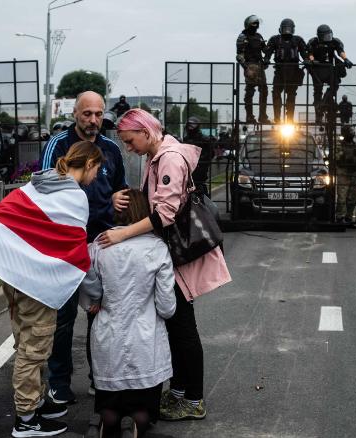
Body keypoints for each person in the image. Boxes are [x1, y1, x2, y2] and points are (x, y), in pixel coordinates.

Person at [98, 108, 231, 421]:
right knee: (175, 325)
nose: (129, 148)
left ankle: (193, 399)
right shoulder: (156, 156)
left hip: (179, 253)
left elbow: (165, 214)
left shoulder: (168, 158)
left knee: (183, 327)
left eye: (130, 141)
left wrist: (122, 235)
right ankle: (180, 391)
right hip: (170, 252)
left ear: (145, 131)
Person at [0, 140, 104, 437]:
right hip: (34, 278)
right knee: (35, 348)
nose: (97, 177)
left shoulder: (45, 182)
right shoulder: (73, 197)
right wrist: (94, 295)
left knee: (28, 341)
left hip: (17, 272)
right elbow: (76, 252)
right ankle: (26, 419)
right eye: (98, 170)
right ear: (90, 164)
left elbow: (2, 215)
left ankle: (37, 402)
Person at [39, 90, 129, 405]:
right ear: (75, 113)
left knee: (101, 317)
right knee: (62, 319)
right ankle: (59, 384)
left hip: (101, 246)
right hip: (64, 249)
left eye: (98, 114)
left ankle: (99, 379)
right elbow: (46, 190)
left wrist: (118, 201)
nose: (93, 120)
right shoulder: (58, 145)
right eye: (87, 113)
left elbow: (123, 193)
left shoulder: (112, 149)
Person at [82, 189, 176, 438]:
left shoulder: (99, 245)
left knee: (109, 402)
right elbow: (167, 306)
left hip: (108, 334)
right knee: (144, 408)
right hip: (145, 340)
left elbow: (87, 283)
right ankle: (134, 425)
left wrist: (95, 301)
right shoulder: (157, 249)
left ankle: (103, 421)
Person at [306, 25, 352, 128]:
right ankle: (319, 114)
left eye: (329, 35)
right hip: (317, 69)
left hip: (330, 69)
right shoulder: (313, 42)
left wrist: (346, 59)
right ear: (320, 36)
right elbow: (309, 53)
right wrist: (312, 60)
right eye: (325, 36)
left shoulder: (335, 41)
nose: (328, 38)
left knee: (335, 85)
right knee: (317, 90)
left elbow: (340, 51)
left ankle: (325, 101)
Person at [264, 18, 308, 124]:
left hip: (294, 71)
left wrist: (307, 60)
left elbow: (304, 53)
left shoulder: (298, 40)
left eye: (289, 29)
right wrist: (266, 59)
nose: (287, 31)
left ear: (293, 29)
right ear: (280, 29)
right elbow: (268, 52)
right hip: (279, 71)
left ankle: (290, 119)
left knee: (291, 95)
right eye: (285, 29)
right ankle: (277, 118)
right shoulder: (275, 39)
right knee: (276, 93)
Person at [236, 15, 270, 124]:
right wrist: (246, 68)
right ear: (248, 25)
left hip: (260, 67)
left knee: (264, 91)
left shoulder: (259, 36)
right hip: (250, 66)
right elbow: (239, 56)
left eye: (257, 24)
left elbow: (265, 50)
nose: (256, 26)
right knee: (249, 93)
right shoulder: (243, 37)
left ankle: (262, 116)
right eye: (254, 24)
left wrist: (267, 56)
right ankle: (250, 117)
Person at [334, 125, 356, 228]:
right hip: (343, 173)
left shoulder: (355, 145)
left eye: (352, 131)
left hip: (353, 174)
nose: (352, 134)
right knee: (342, 197)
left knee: (352, 198)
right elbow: (336, 157)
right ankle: (339, 218)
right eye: (350, 131)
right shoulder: (339, 145)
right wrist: (346, 156)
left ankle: (348, 218)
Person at [182, 117, 214, 196]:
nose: (190, 128)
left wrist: (200, 162)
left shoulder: (204, 139)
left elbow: (211, 154)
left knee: (201, 193)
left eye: (192, 125)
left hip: (199, 172)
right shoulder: (186, 139)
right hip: (188, 172)